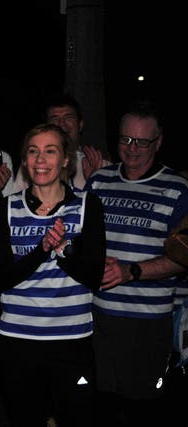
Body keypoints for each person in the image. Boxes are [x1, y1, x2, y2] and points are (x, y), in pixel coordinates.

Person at [0, 123, 105, 426]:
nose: (41, 160)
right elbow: (0, 278)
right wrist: (42, 250)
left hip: (72, 341)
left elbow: (94, 276)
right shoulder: (6, 209)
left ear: (66, 159)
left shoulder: (87, 205)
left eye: (50, 151)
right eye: (33, 151)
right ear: (25, 161)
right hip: (17, 341)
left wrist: (64, 249)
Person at [84, 101, 188, 427]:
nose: (132, 149)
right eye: (126, 139)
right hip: (97, 319)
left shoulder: (178, 188)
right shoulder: (99, 181)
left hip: (147, 324)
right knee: (100, 408)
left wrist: (132, 271)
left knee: (143, 411)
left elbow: (184, 258)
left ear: (158, 142)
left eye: (142, 142)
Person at [14, 92, 110, 192]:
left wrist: (95, 182)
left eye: (68, 117)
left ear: (80, 125)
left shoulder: (98, 163)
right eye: (55, 118)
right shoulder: (35, 163)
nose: (61, 123)